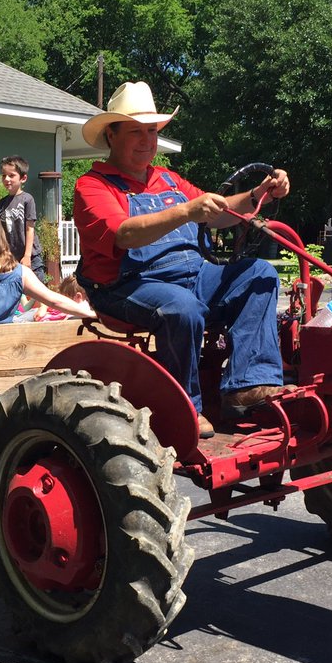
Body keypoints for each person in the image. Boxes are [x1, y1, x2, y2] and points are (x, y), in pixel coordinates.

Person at [74, 80, 290, 439]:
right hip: (125, 285)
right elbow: (125, 234)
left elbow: (217, 213)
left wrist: (258, 193)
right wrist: (187, 211)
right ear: (111, 135)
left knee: (259, 274)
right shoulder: (93, 186)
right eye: (135, 132)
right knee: (181, 308)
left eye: (152, 131)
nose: (147, 141)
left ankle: (248, 385)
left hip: (191, 274)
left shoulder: (168, 180)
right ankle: (186, 407)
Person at [0, 155, 45, 282]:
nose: (6, 179)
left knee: (36, 292)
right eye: (3, 175)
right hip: (11, 257)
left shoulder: (27, 199)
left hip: (30, 257)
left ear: (23, 178)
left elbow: (30, 229)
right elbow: (1, 232)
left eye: (11, 175)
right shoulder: (1, 203)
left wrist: (27, 255)